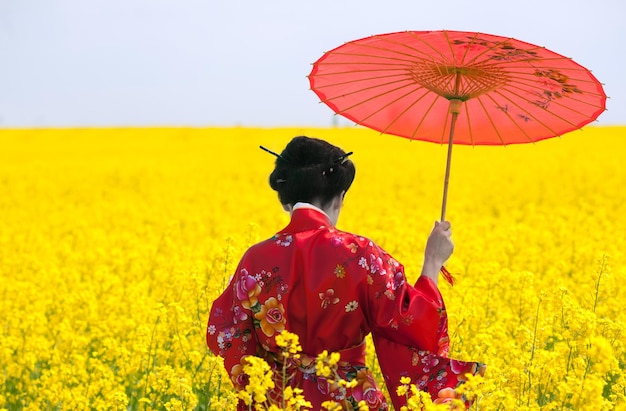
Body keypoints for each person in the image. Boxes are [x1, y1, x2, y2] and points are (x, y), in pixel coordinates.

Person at [206, 136, 484, 410]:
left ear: (284, 200)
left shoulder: (255, 259)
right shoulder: (359, 253)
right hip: (348, 399)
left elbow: (227, 335)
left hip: (277, 398)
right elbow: (411, 325)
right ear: (340, 197)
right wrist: (433, 262)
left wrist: (265, 381)